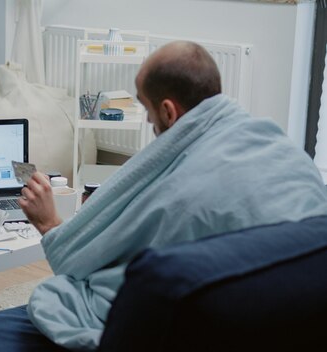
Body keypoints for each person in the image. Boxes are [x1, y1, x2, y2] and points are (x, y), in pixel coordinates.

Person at [18, 41, 327, 350]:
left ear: (167, 110)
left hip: (246, 314)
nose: (150, 121)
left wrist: (50, 224)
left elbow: (80, 262)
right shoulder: (282, 147)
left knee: (56, 297)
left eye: (146, 108)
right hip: (309, 304)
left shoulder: (179, 191)